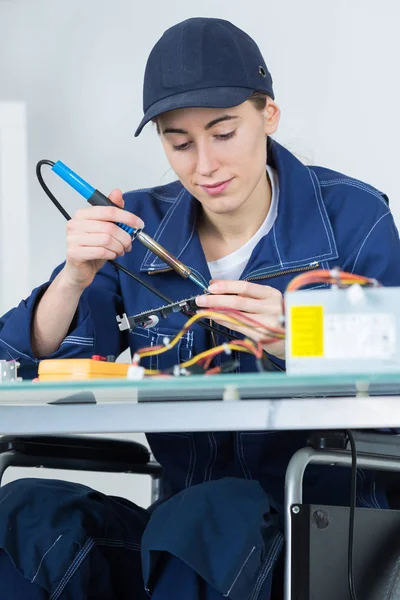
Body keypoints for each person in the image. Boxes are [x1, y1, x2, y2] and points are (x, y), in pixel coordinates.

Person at [0, 16, 399, 600]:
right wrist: (74, 277)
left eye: (223, 132)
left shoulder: (353, 219)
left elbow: (394, 363)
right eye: (179, 143)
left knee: (210, 517)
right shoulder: (138, 229)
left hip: (323, 528)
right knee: (25, 515)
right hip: (180, 539)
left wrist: (300, 338)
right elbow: (32, 359)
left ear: (269, 115)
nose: (203, 165)